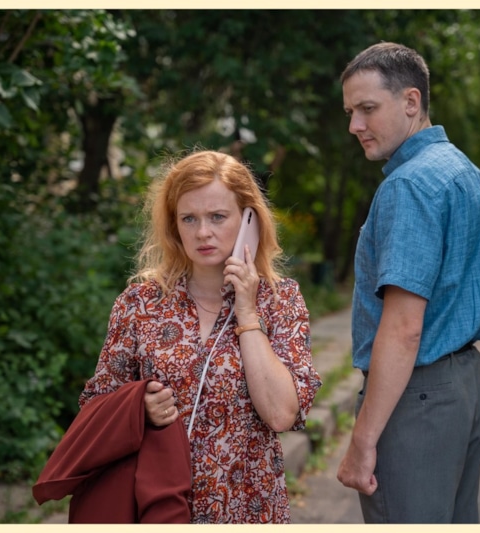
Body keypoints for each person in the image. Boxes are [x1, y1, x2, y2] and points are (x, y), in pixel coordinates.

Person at [78, 149, 322, 523]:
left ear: (249, 220)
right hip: (157, 506)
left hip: (246, 509)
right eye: (188, 218)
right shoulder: (140, 303)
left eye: (217, 217)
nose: (202, 232)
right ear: (174, 225)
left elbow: (280, 414)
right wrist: (138, 409)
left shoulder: (280, 300)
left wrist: (247, 312)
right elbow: (96, 406)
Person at [336, 42, 480, 523]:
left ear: (411, 101)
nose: (355, 125)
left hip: (418, 395)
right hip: (466, 384)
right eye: (350, 112)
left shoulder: (409, 185)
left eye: (368, 108)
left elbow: (404, 327)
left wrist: (363, 440)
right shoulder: (466, 172)